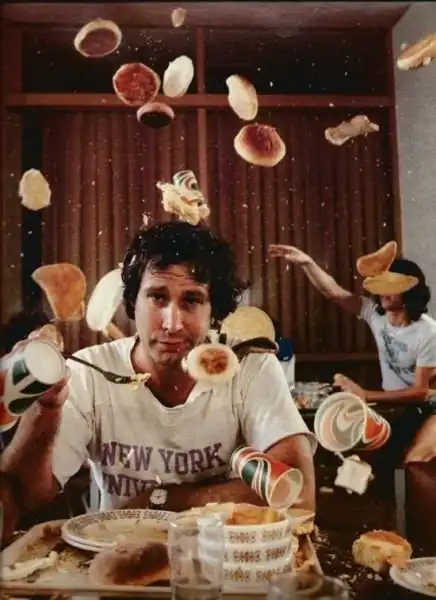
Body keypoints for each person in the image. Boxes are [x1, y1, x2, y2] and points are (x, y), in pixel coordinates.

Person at [1, 222, 316, 522]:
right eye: (157, 297)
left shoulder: (250, 366)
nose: (172, 323)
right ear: (133, 302)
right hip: (117, 553)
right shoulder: (89, 372)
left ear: (214, 312)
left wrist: (163, 500)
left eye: (191, 300)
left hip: (220, 554)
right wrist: (47, 408)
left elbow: (298, 495)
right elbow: (27, 495)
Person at [269, 244, 436, 464]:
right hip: (394, 407)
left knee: (414, 461)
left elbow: (420, 392)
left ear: (410, 291)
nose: (384, 291)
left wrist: (365, 394)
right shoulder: (376, 315)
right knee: (363, 460)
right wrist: (307, 262)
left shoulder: (428, 331)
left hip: (429, 408)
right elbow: (334, 293)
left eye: (392, 285)